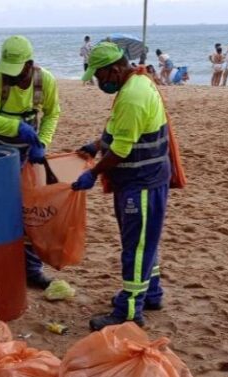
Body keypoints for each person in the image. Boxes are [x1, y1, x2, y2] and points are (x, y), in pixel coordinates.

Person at [74, 42, 172, 331]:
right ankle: (150, 293)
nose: (99, 82)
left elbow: (122, 150)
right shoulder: (137, 82)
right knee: (145, 241)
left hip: (141, 182)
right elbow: (119, 131)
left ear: (115, 69)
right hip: (144, 179)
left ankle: (130, 309)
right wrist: (95, 146)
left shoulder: (132, 96)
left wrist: (93, 173)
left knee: (136, 247)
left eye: (100, 75)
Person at [0, 36, 60, 290]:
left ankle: (31, 270)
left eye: (17, 72)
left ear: (29, 64)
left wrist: (41, 142)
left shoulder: (44, 81)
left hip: (28, 151)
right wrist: (15, 126)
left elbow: (52, 113)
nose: (11, 77)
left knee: (29, 210)